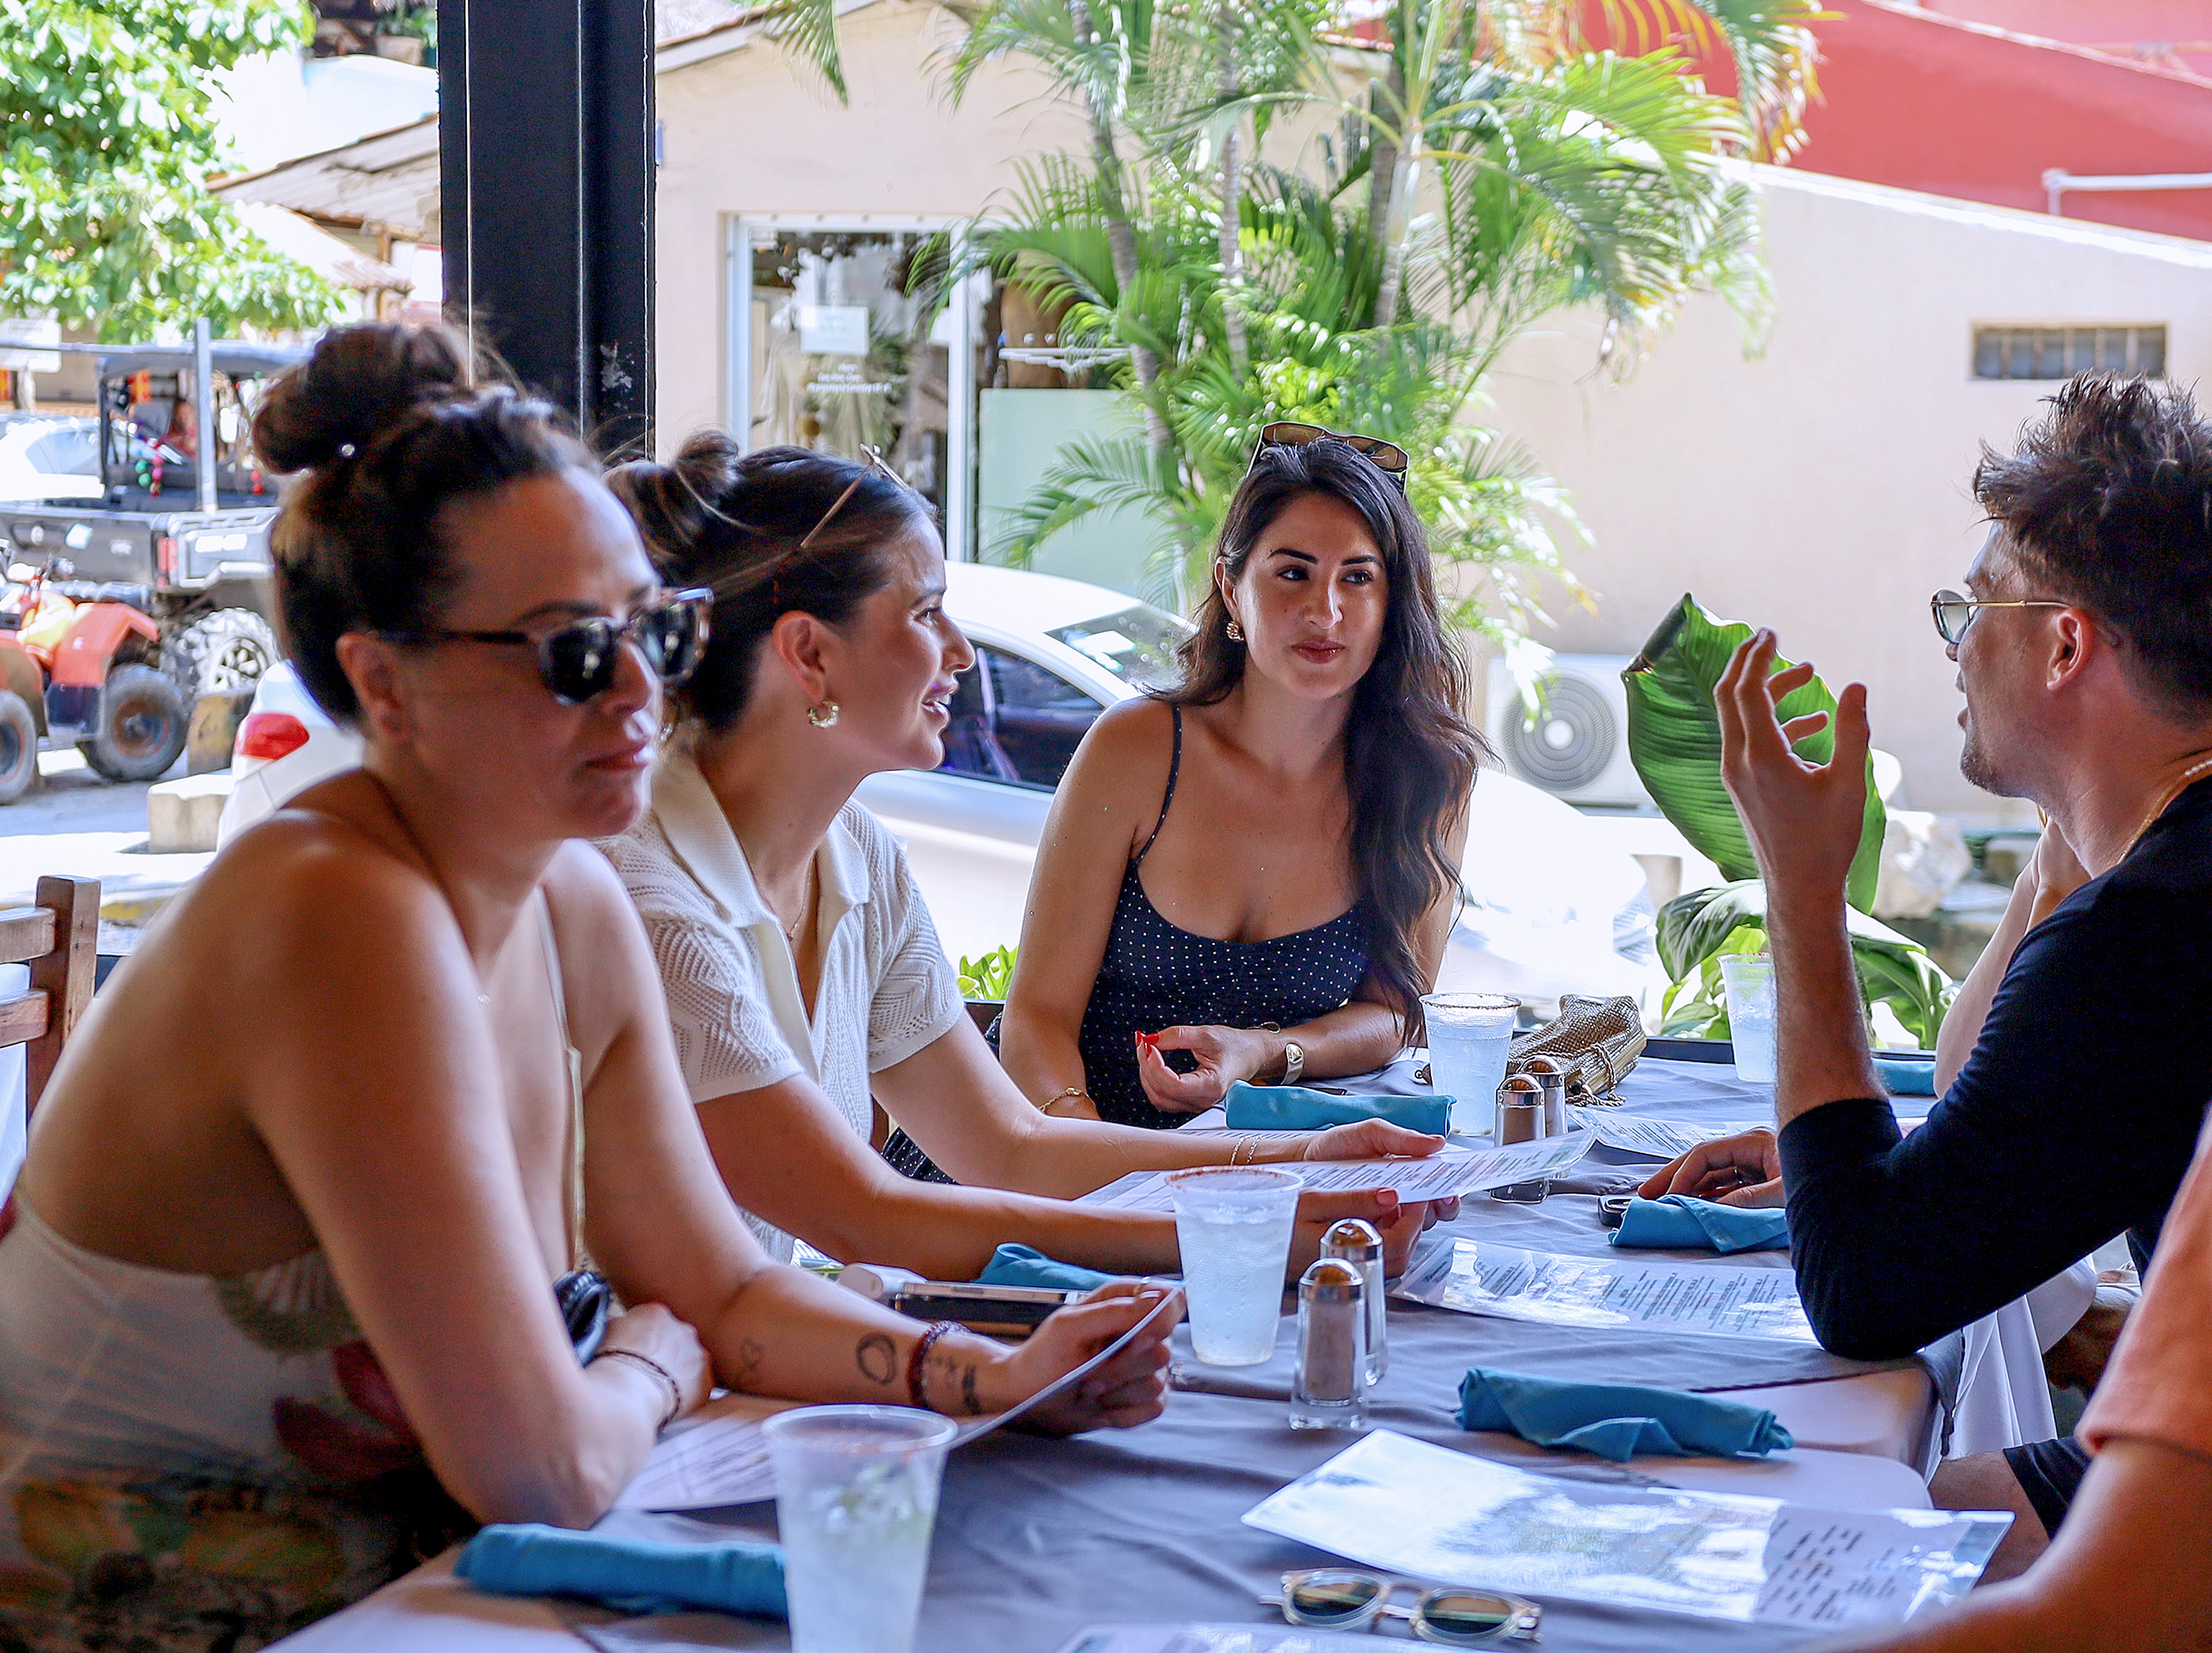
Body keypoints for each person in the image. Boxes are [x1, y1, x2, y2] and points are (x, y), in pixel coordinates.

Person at [0, 323, 1174, 1653]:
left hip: (407, 1604)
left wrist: (991, 1377)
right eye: (570, 652)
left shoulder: (573, 902)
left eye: (654, 633)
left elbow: (723, 1291)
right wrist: (650, 1365)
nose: (636, 693)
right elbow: (544, 1465)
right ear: (386, 683)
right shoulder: (333, 911)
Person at [1638, 374, 2212, 1577]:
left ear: (2066, 643)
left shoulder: (2173, 925)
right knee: (1970, 1483)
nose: (1956, 644)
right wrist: (2066, 814)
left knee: (1928, 1526)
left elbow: (1865, 1288)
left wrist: (1805, 895)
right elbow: (1982, 1090)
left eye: (1973, 607)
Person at [598, 434, 1442, 1279]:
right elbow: (867, 1218)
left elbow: (1015, 1144)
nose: (962, 653)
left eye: (1357, 578)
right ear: (810, 655)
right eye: (928, 613)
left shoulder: (856, 854)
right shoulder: (648, 900)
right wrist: (1257, 1224)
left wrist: (1310, 1160)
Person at [998, 426, 1485, 1129]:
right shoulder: (1136, 749)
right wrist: (1094, 1154)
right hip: (1071, 1142)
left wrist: (1260, 1053)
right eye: (1293, 573)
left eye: (1358, 576)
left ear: (1392, 601)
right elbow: (1037, 1017)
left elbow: (1392, 1012)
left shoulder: (1430, 777)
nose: (1326, 611)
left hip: (1268, 1168)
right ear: (1231, 586)